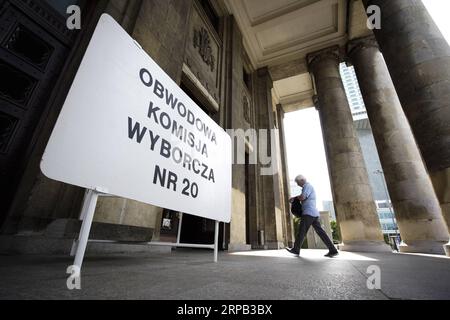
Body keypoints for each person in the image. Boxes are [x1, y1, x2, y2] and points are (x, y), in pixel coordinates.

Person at [286, 175, 339, 258]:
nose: (297, 184)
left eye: (298, 182)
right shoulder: (308, 187)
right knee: (321, 232)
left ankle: (296, 249)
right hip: (313, 213)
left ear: (302, 180)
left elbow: (303, 197)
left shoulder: (307, 186)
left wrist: (294, 198)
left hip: (308, 213)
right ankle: (333, 250)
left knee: (302, 231)